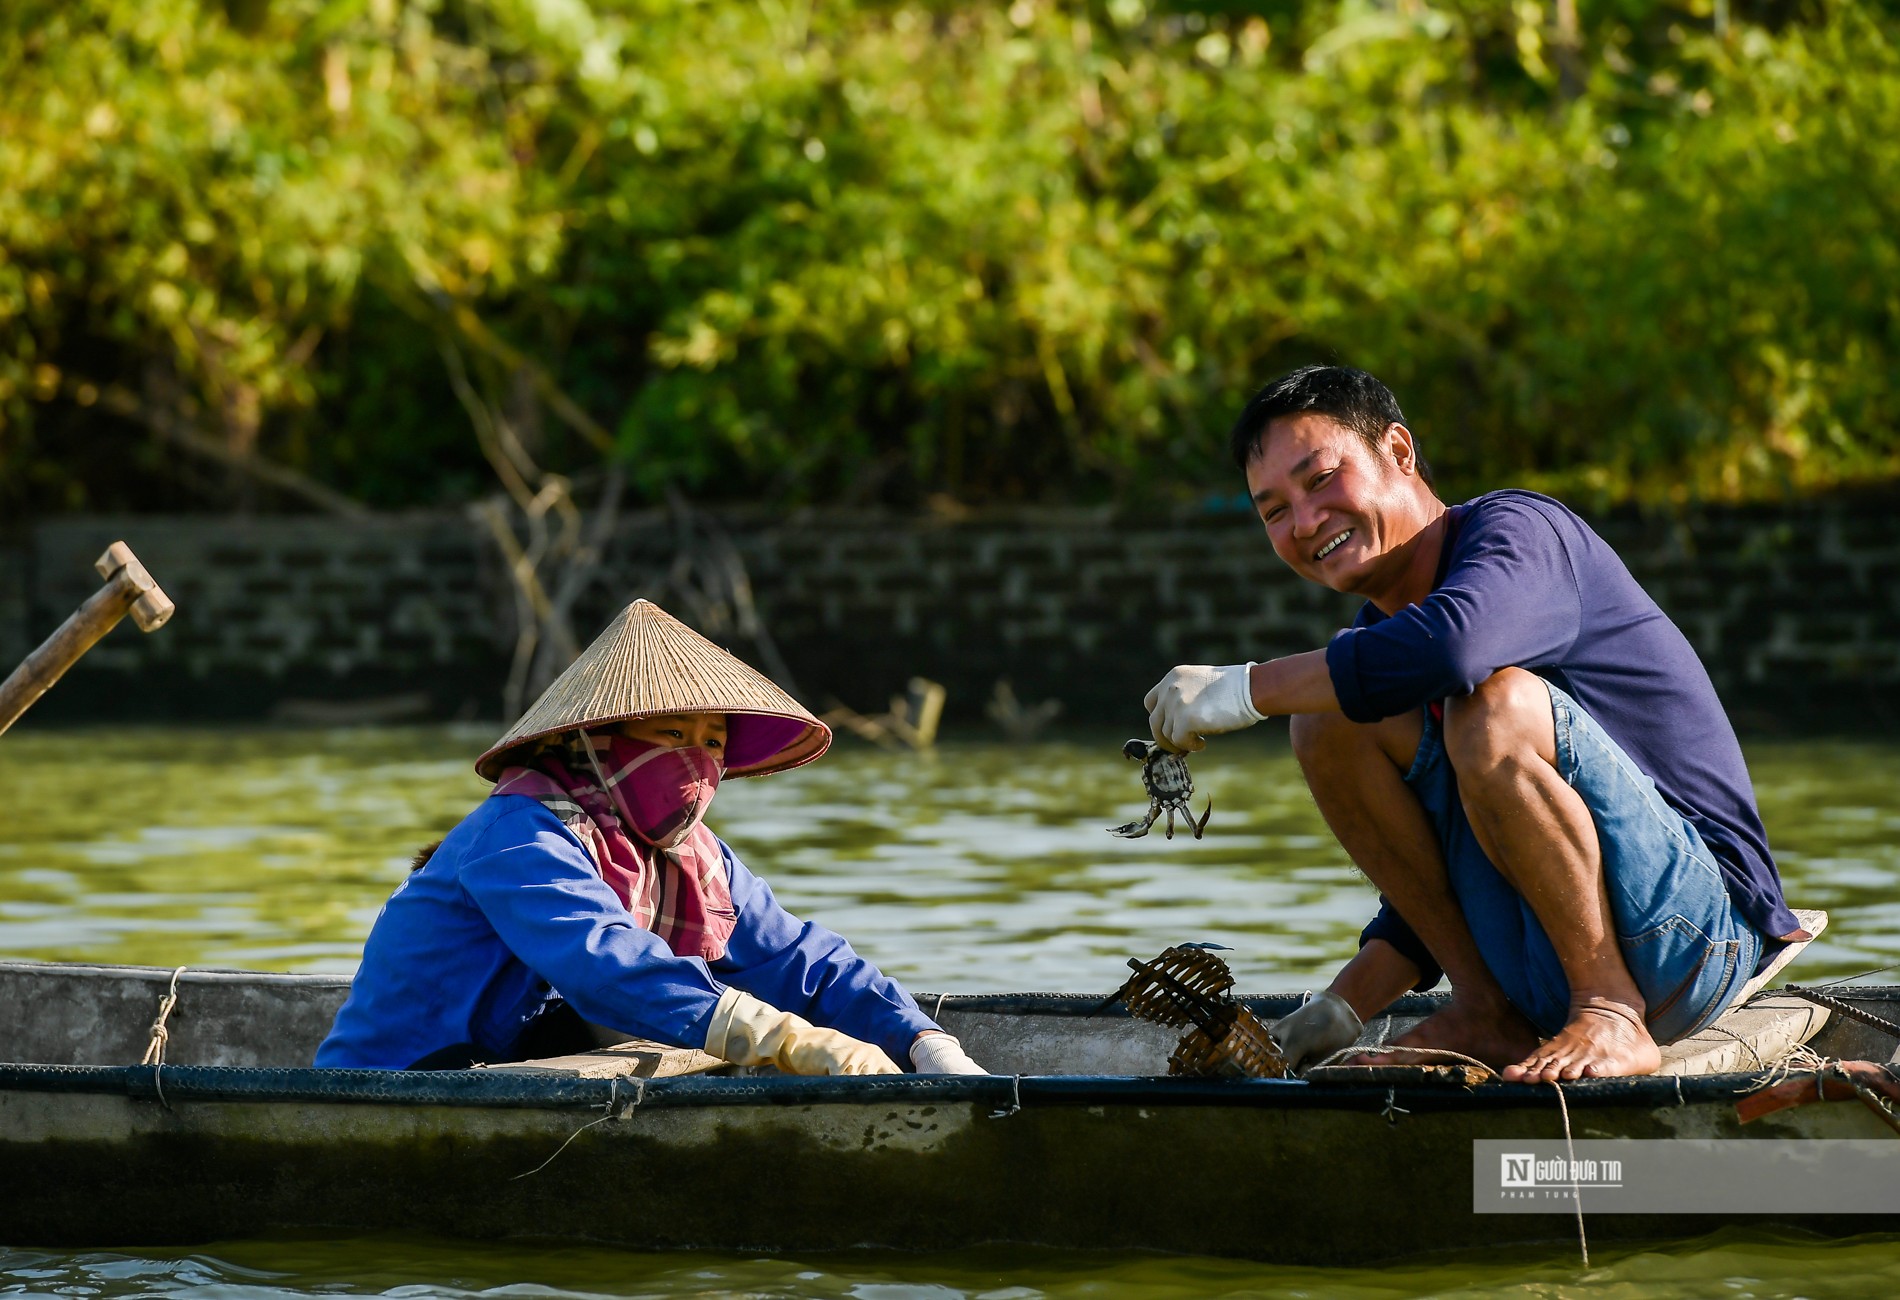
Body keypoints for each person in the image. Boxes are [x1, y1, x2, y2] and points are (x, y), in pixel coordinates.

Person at [1143, 365, 1804, 1082]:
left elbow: (1454, 647)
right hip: (1538, 962)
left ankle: (1610, 1010)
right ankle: (1487, 1011)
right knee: (1327, 722)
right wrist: (1334, 1010)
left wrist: (1248, 688)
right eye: (1274, 511)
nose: (1304, 523)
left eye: (1321, 479)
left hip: (1694, 940)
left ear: (1398, 452)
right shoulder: (1385, 651)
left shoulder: (1520, 535)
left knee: (1493, 705)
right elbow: (1437, 886)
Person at [317, 598, 986, 1077]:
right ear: (597, 742)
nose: (696, 759)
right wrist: (779, 1036)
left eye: (713, 741)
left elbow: (800, 961)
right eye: (672, 734)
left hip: (520, 1067)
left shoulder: (693, 859)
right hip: (408, 1077)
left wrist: (921, 1038)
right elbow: (605, 964)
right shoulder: (518, 834)